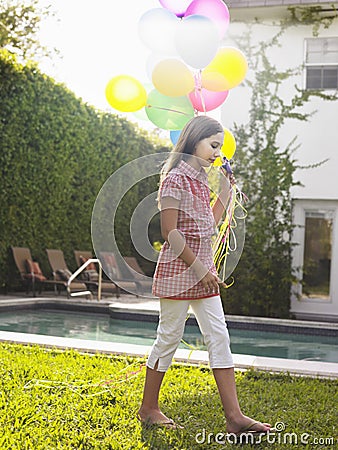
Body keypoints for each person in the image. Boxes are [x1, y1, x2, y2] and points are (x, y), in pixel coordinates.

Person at [138, 115, 271, 435]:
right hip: (180, 269)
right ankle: (149, 408)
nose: (217, 153)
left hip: (203, 270)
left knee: (219, 335)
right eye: (213, 145)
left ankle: (235, 418)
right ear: (193, 140)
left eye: (220, 147)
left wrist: (225, 190)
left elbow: (207, 226)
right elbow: (170, 232)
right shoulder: (174, 178)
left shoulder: (200, 180)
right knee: (168, 336)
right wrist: (200, 271)